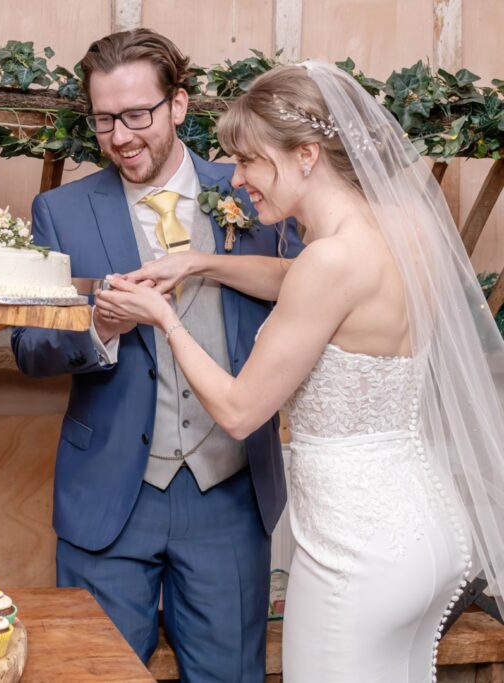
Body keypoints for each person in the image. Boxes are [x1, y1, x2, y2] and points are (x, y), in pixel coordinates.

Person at [97, 62, 504, 681]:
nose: (237, 179)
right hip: (429, 535)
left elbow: (238, 412)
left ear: (307, 155)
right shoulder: (405, 229)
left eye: (250, 161)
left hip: (354, 554)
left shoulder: (328, 261)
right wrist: (202, 263)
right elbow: (312, 286)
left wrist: (164, 319)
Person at [10, 29, 302, 679]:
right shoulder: (60, 210)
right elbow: (27, 347)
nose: (120, 136)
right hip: (110, 496)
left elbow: (313, 296)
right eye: (104, 119)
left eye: (137, 114)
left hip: (228, 490)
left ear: (178, 105)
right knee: (91, 673)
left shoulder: (257, 191)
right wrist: (100, 329)